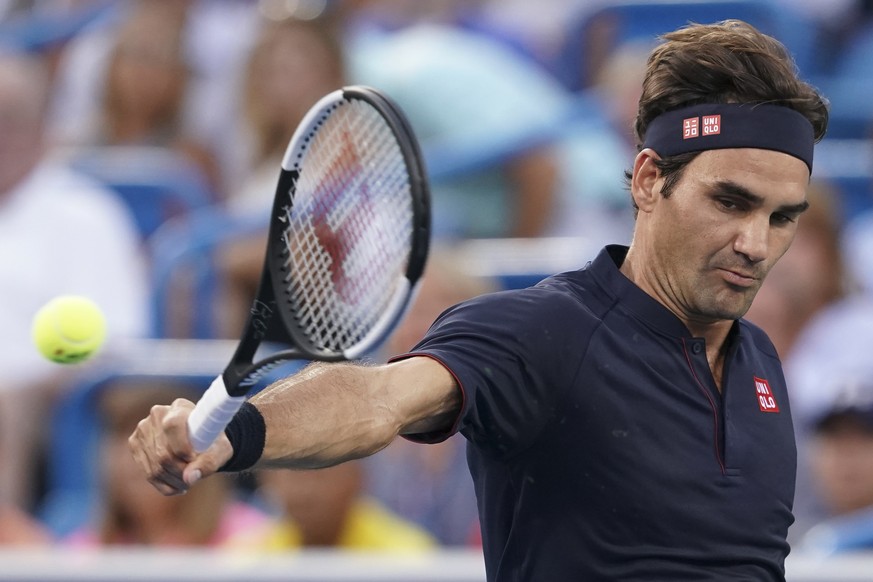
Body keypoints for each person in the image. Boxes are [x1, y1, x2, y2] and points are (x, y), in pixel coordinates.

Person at [129, 19, 828, 580]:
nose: (754, 243)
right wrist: (237, 432)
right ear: (648, 180)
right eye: (729, 202)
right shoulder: (542, 331)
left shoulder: (760, 361)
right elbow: (378, 399)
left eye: (781, 217)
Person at [0, 49, 148, 512]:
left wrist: (28, 389)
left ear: (43, 126)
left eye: (9, 118)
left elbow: (119, 344)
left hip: (43, 407)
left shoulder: (87, 215)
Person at [65, 381, 274, 547]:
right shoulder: (84, 549)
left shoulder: (252, 539)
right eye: (122, 435)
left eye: (158, 438)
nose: (136, 453)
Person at [255, 460, 437, 551]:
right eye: (293, 476)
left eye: (319, 476)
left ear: (357, 479)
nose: (305, 492)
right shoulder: (246, 561)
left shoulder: (408, 560)